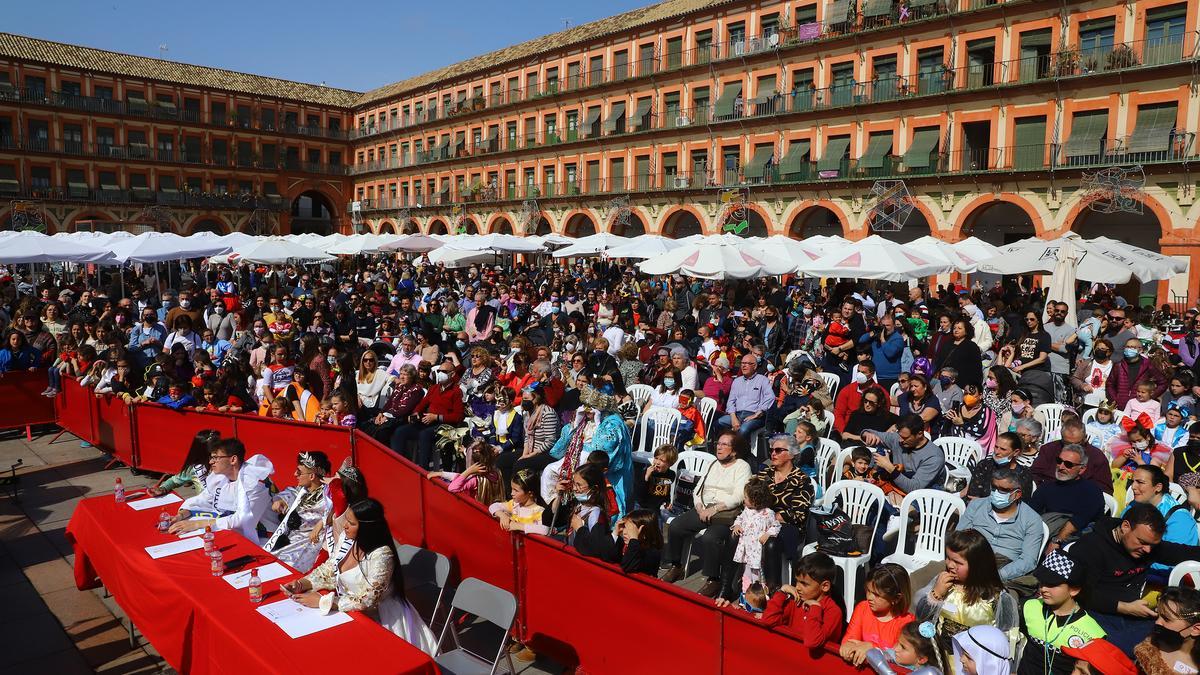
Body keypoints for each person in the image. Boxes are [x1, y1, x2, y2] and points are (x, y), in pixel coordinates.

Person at [282, 499, 437, 655]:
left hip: (381, 620)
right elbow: (330, 569)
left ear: (367, 527)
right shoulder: (347, 538)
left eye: (351, 523)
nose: (345, 526)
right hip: (350, 613)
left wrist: (323, 602)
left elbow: (368, 600)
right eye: (346, 520)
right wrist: (303, 583)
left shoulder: (382, 555)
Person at [1073, 503, 1200, 657]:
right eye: (1142, 542)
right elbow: (1080, 593)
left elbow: (1184, 553)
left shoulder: (1149, 547)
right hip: (1093, 612)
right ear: (1126, 526)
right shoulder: (1090, 547)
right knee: (1127, 650)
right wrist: (1124, 607)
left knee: (1174, 642)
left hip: (1133, 617)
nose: (1147, 550)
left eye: (1153, 545)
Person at [660, 431, 752, 597]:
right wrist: (700, 506)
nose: (719, 447)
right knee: (676, 526)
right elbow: (697, 489)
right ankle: (677, 566)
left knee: (711, 537)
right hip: (704, 508)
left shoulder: (742, 467)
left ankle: (713, 579)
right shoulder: (713, 464)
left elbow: (739, 496)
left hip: (725, 514)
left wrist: (715, 509)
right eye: (718, 443)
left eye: (725, 444)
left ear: (734, 451)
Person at [915, 529, 1019, 675]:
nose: (950, 565)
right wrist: (936, 594)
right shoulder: (944, 585)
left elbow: (1006, 640)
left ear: (978, 566)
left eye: (957, 562)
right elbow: (922, 620)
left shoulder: (995, 598)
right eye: (948, 558)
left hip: (974, 666)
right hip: (942, 660)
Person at [1015, 549, 1107, 675]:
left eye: (1052, 584)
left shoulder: (1093, 634)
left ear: (1074, 590)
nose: (1043, 589)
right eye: (1042, 582)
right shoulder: (1028, 607)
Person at [169, 438, 276, 543]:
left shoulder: (254, 483)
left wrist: (198, 524)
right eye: (211, 458)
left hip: (263, 540)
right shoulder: (221, 478)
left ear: (233, 460)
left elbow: (242, 520)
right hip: (231, 532)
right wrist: (181, 515)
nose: (210, 462)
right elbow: (204, 499)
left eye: (216, 458)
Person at [955, 466, 1043, 592]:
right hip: (970, 558)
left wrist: (998, 576)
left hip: (1005, 568)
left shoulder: (1032, 519)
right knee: (925, 575)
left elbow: (1028, 560)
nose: (996, 493)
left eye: (1003, 490)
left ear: (1017, 494)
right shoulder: (976, 506)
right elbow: (959, 537)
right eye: (994, 488)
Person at [263, 451, 333, 573]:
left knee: (287, 569)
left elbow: (340, 511)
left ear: (312, 476)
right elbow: (292, 492)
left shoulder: (328, 496)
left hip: (309, 542)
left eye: (299, 472)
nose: (295, 474)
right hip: (291, 536)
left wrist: (321, 523)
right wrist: (281, 500)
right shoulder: (303, 489)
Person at [1126, 464, 1198, 581]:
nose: (1133, 487)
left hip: (1161, 583)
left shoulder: (1179, 518)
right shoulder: (1134, 505)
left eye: (1140, 482)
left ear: (1158, 487)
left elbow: (1175, 565)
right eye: (1132, 481)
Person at [390, 359, 464, 469]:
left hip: (444, 426)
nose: (440, 374)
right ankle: (398, 465)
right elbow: (422, 404)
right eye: (439, 371)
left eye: (444, 371)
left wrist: (436, 417)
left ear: (452, 374)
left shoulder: (456, 391)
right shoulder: (434, 388)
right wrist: (415, 413)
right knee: (401, 431)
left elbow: (458, 416)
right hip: (428, 421)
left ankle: (422, 470)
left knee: (424, 434)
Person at [761, 552, 844, 649]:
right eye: (797, 581)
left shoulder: (833, 611)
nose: (797, 587)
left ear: (825, 586)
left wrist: (815, 608)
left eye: (804, 584)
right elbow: (768, 620)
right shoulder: (797, 601)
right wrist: (782, 592)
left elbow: (812, 642)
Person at [1031, 444, 1105, 551]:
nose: (1061, 467)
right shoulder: (1047, 486)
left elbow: (1078, 521)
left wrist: (1056, 541)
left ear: (1082, 469)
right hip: (1043, 533)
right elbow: (1032, 510)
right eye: (1059, 461)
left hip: (1075, 541)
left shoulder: (1091, 491)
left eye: (1068, 464)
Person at [840, 563, 916, 667]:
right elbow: (850, 638)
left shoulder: (906, 622)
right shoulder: (863, 608)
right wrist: (848, 647)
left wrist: (873, 648)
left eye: (876, 595)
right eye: (868, 591)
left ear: (896, 598)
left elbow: (900, 658)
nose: (869, 597)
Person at [861, 414, 949, 494]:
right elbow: (871, 433)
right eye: (899, 435)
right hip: (895, 487)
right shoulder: (898, 439)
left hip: (923, 495)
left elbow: (914, 488)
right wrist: (867, 434)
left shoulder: (934, 456)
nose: (900, 440)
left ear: (920, 434)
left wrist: (889, 468)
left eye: (905, 437)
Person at [1031, 419, 1115, 493]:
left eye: (1077, 444)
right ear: (1062, 438)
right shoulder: (1049, 449)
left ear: (1085, 438)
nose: (1072, 447)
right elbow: (1035, 474)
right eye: (1067, 443)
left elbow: (1105, 489)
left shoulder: (1097, 457)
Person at [1133, 586, 1200, 675]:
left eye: (1167, 619)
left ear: (1196, 629)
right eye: (1158, 615)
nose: (1157, 622)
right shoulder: (1151, 645)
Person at [729, 477, 781, 591]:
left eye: (746, 498)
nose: (744, 500)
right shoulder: (747, 511)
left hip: (759, 554)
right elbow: (740, 518)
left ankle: (758, 597)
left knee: (758, 578)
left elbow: (776, 526)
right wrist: (737, 525)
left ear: (755, 500)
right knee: (747, 575)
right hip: (747, 551)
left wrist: (768, 534)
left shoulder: (768, 513)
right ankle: (745, 595)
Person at [148, 429, 220, 496]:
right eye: (215, 448)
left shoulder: (226, 463)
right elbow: (174, 480)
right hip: (205, 507)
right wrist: (163, 488)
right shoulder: (193, 469)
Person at [719, 354, 774, 438]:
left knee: (744, 429)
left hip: (754, 416)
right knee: (718, 423)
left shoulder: (762, 380)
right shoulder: (737, 381)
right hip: (737, 414)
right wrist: (733, 418)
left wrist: (758, 413)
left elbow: (770, 397)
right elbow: (731, 401)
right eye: (742, 363)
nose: (743, 366)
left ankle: (737, 449)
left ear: (754, 366)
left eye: (747, 363)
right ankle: (720, 447)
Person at [965, 431, 1032, 500]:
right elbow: (973, 496)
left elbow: (1023, 502)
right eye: (996, 447)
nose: (997, 452)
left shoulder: (1023, 474)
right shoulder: (984, 466)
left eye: (1003, 449)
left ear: (1015, 452)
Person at [1106, 338, 1167, 410]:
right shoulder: (1118, 365)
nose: (1129, 349)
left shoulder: (1148, 365)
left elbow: (1163, 383)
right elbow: (1110, 384)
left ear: (1140, 350)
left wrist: (1149, 396)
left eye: (1133, 347)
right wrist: (1115, 399)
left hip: (1140, 407)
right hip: (1120, 407)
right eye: (1127, 347)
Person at [615, 509, 663, 575]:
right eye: (625, 527)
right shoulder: (627, 546)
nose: (624, 532)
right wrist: (615, 534)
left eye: (631, 530)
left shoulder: (651, 553)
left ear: (644, 532)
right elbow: (607, 557)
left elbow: (627, 567)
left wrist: (634, 539)